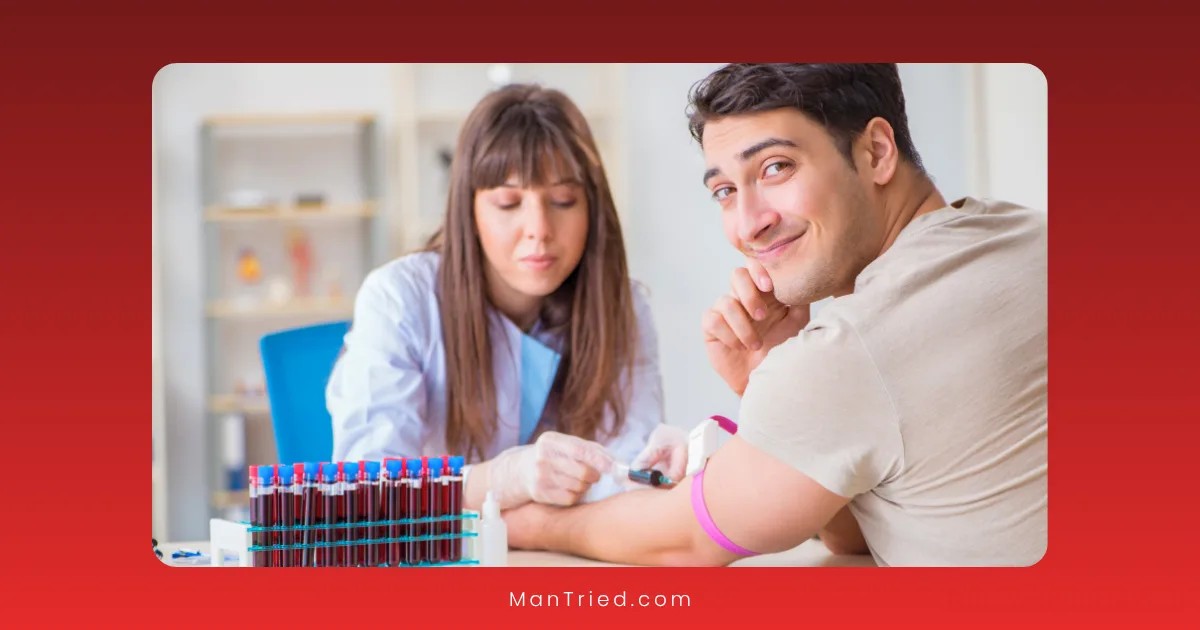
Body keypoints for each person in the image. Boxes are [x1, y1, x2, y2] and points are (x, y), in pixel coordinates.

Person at [503, 63, 1048, 567]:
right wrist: (775, 376)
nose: (747, 224)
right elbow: (853, 532)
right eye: (723, 191)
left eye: (776, 167)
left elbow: (683, 541)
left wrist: (522, 521)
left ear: (877, 152)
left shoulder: (853, 345)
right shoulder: (1030, 239)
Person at [326, 84, 666, 512]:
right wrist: (502, 480)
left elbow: (630, 479)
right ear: (468, 212)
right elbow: (368, 491)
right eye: (508, 203)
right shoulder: (399, 299)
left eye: (563, 200)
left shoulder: (623, 308)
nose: (538, 228)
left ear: (592, 210)